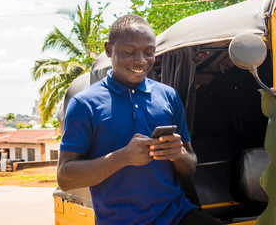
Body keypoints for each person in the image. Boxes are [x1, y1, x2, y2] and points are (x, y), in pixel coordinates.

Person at [57, 14, 223, 225]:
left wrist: (178, 154)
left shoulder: (168, 96)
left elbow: (189, 167)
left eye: (149, 52)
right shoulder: (84, 104)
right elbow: (64, 177)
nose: (142, 61)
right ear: (109, 50)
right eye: (129, 52)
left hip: (176, 214)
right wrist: (122, 157)